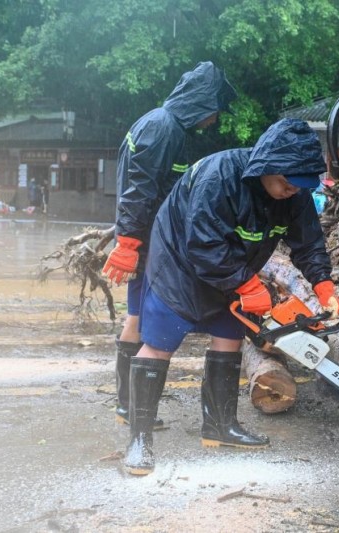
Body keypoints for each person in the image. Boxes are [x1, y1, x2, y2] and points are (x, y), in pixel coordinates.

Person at [122, 118, 339, 476]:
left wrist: (323, 285)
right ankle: (139, 439)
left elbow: (309, 241)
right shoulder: (219, 177)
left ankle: (220, 425)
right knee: (160, 342)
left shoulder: (295, 194)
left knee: (229, 335)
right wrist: (247, 285)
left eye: (298, 186)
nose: (291, 191)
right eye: (286, 183)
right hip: (178, 259)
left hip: (234, 264)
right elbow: (202, 243)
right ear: (267, 168)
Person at [101, 61, 237, 429]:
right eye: (214, 113)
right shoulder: (163, 128)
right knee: (141, 319)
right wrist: (129, 243)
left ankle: (127, 405)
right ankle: (131, 407)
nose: (213, 121)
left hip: (144, 238)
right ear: (202, 104)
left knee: (136, 316)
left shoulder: (160, 122)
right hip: (147, 243)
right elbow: (140, 189)